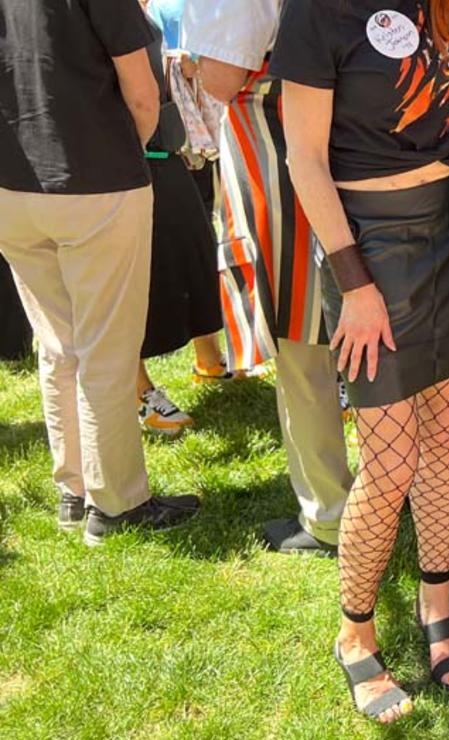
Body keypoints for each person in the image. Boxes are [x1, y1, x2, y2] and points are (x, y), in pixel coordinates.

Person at [272, 0, 449, 722]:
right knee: (389, 460)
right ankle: (355, 631)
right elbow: (303, 154)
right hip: (369, 242)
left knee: (443, 438)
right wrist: (354, 281)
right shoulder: (316, 13)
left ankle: (436, 602)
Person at [0, 0, 200, 544]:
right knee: (104, 349)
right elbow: (142, 92)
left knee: (59, 344)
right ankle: (117, 504)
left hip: (14, 187)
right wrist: (122, 151)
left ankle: (77, 492)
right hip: (95, 180)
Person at [182, 0, 354, 556]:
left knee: (301, 338)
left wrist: (194, 65)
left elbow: (225, 75)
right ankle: (405, 485)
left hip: (288, 154)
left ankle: (329, 514)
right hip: (352, 143)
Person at [135, 1, 228, 436]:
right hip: (120, 162)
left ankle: (210, 360)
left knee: (196, 252)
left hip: (162, 153)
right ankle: (139, 394)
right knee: (129, 283)